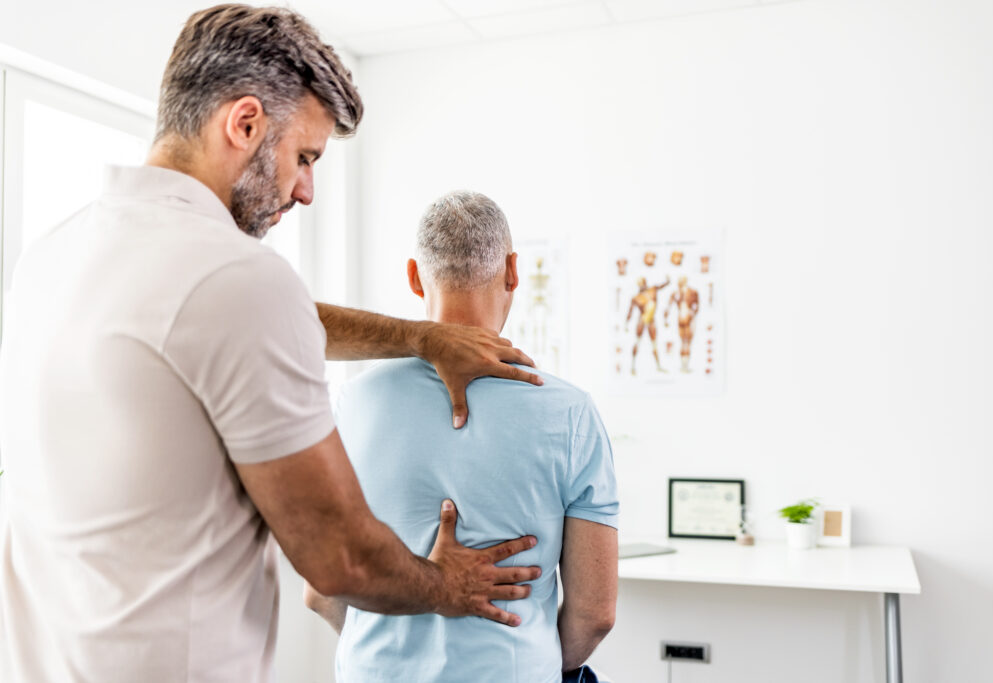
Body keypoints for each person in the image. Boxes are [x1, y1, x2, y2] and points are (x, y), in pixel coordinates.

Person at [0, 6, 543, 682]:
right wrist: (449, 584)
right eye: (304, 157)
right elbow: (341, 558)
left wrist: (422, 337)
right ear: (245, 123)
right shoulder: (239, 281)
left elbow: (230, 325)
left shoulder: (53, 256)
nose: (307, 190)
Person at [305, 191, 619, 683]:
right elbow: (595, 614)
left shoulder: (351, 405)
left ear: (413, 276)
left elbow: (320, 593)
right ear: (513, 271)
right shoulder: (571, 413)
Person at [626, 275, 671, 374]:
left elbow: (662, 286)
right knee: (637, 342)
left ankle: (658, 366)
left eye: (642, 283)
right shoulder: (636, 298)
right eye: (640, 284)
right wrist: (626, 324)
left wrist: (668, 280)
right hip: (642, 320)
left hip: (651, 321)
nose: (642, 285)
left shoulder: (652, 290)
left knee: (654, 343)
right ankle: (632, 366)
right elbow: (630, 311)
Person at [664, 276, 700, 372]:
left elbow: (696, 305)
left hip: (687, 316)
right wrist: (666, 317)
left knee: (687, 342)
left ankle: (685, 365)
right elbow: (668, 306)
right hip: (682, 317)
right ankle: (684, 365)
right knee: (684, 342)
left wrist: (692, 313)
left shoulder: (692, 292)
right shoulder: (677, 293)